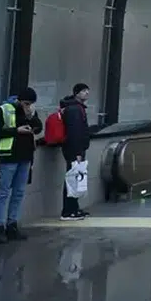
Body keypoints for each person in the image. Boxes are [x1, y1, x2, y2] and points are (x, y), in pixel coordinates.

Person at [0, 87, 42, 244]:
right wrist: (16, 130)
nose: (28, 106)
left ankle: (12, 225)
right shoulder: (4, 110)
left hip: (25, 156)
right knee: (3, 192)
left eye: (31, 104)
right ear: (19, 100)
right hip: (9, 156)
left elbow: (38, 128)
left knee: (19, 192)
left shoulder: (30, 112)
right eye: (26, 103)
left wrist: (31, 118)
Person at [58, 83, 92, 221]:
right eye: (84, 91)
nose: (87, 93)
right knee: (72, 179)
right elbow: (75, 132)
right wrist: (78, 152)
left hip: (76, 149)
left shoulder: (77, 108)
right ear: (76, 93)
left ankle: (74, 208)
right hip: (74, 150)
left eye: (87, 91)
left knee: (76, 178)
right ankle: (68, 211)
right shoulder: (74, 109)